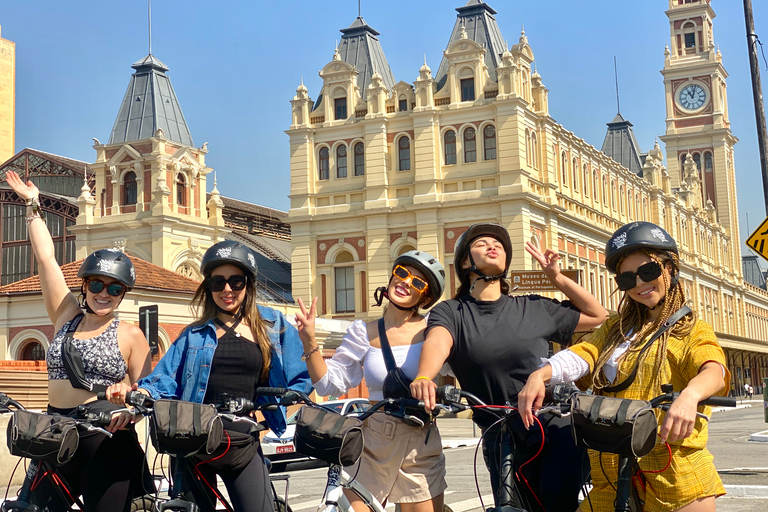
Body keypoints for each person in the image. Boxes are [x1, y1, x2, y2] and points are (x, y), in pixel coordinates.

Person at [518, 221, 730, 512]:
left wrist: (690, 396)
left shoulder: (690, 329)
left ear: (670, 268)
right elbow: (585, 353)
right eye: (628, 279)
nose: (640, 284)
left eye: (648, 271)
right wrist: (541, 375)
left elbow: (713, 370)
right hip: (611, 473)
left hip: (674, 474)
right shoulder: (617, 327)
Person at [410, 223, 608, 511]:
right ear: (466, 261)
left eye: (498, 245)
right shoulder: (452, 311)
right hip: (498, 430)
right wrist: (425, 376)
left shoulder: (534, 308)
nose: (492, 246)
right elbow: (438, 343)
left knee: (557, 504)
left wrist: (556, 277)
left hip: (550, 422)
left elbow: (598, 316)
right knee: (509, 507)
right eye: (482, 244)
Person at [109, 240, 312, 512]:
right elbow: (164, 380)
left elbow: (301, 382)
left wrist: (267, 414)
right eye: (218, 283)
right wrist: (142, 394)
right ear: (208, 288)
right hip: (194, 442)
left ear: (248, 284)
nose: (227, 290)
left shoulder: (273, 325)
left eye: (236, 281)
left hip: (243, 442)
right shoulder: (193, 334)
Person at [5, 171, 153, 512]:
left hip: (105, 439)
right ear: (84, 285)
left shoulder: (131, 334)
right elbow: (46, 260)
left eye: (115, 289)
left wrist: (131, 408)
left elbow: (147, 390)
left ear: (122, 296)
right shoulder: (66, 316)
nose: (105, 294)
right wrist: (32, 206)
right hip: (56, 433)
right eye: (97, 285)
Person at [295, 250, 447, 512]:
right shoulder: (363, 331)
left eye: (418, 282)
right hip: (374, 437)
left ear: (426, 296)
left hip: (420, 437)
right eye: (401, 273)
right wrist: (309, 340)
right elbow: (329, 384)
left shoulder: (436, 329)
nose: (406, 282)